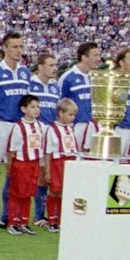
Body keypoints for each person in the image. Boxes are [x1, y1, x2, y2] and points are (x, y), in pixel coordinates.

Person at [0, 32, 32, 227]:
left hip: (20, 127)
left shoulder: (25, 73)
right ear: (4, 48)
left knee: (14, 170)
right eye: (14, 46)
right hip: (1, 124)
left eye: (21, 47)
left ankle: (7, 215)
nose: (18, 51)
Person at [27, 52, 63, 224]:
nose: (54, 68)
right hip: (37, 132)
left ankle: (47, 213)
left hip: (53, 132)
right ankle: (38, 214)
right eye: (50, 65)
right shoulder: (31, 84)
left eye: (56, 65)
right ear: (40, 67)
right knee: (40, 174)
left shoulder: (56, 86)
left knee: (51, 172)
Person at [3, 93, 45, 235]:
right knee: (16, 193)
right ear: (23, 109)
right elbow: (12, 149)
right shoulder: (18, 127)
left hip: (35, 163)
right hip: (21, 164)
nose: (36, 110)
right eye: (32, 107)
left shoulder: (40, 126)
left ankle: (24, 222)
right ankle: (12, 222)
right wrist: (10, 166)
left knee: (29, 193)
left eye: (38, 107)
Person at [44, 98, 83, 232]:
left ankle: (61, 219)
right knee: (54, 191)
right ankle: (51, 219)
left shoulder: (71, 129)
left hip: (69, 162)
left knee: (65, 192)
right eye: (70, 114)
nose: (73, 118)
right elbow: (48, 151)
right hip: (57, 162)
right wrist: (48, 171)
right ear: (61, 113)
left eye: (74, 115)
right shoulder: (52, 129)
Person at [59, 42, 104, 152]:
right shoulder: (68, 78)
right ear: (84, 57)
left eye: (99, 55)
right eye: (95, 55)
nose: (99, 59)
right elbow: (60, 103)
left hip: (94, 126)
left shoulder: (96, 77)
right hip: (77, 126)